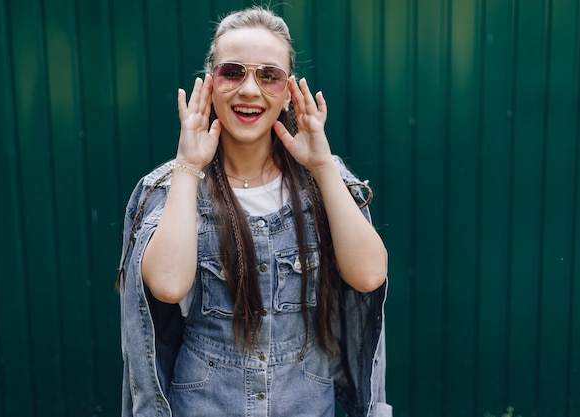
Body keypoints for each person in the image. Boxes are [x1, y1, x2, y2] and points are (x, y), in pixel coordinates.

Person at [117, 5, 391, 417]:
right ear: (210, 83)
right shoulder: (173, 185)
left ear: (287, 92)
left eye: (268, 75)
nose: (249, 89)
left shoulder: (322, 178)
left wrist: (321, 166)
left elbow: (370, 274)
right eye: (233, 72)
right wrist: (188, 165)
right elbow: (168, 286)